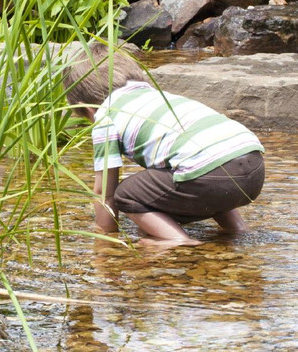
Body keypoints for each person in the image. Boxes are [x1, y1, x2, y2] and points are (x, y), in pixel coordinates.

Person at [62, 42, 265, 245]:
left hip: (208, 176)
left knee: (126, 195)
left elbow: (104, 192)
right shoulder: (159, 96)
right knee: (202, 168)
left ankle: (179, 240)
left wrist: (105, 235)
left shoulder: (106, 117)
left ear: (86, 108)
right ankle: (237, 230)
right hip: (254, 166)